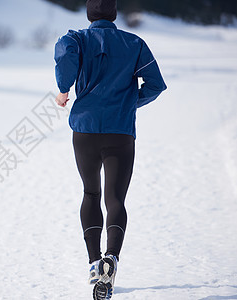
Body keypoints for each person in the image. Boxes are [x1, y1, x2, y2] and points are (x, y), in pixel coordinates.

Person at [54, 0, 167, 299]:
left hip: (85, 130)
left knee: (90, 193)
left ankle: (94, 264)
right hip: (120, 132)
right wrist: (129, 104)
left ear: (90, 14)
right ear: (114, 14)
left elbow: (65, 59)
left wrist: (64, 90)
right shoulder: (134, 43)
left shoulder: (76, 39)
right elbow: (156, 85)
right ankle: (111, 259)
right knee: (115, 198)